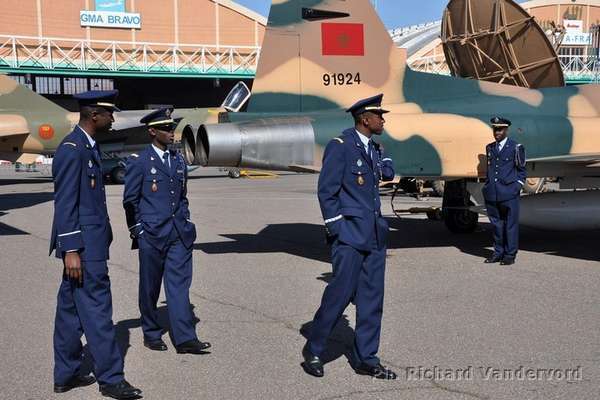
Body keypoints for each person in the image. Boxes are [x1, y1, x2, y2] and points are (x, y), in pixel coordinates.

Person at [49, 90, 142, 399]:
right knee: (99, 312)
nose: (113, 118)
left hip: (89, 244)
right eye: (109, 113)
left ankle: (66, 373)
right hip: (84, 250)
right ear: (94, 116)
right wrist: (72, 250)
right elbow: (65, 203)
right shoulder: (73, 149)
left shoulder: (87, 147)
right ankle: (111, 379)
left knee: (70, 312)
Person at [302, 94, 397, 379]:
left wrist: (384, 155)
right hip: (350, 237)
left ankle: (366, 358)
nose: (383, 119)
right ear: (364, 119)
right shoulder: (341, 147)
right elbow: (327, 191)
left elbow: (388, 174)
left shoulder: (374, 148)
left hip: (375, 236)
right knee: (339, 296)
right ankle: (315, 349)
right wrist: (338, 230)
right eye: (379, 115)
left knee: (371, 301)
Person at [123, 108, 210, 354]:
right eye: (166, 128)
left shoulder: (178, 160)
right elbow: (131, 200)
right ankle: (151, 333)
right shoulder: (139, 162)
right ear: (152, 131)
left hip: (178, 234)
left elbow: (182, 196)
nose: (172, 132)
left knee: (179, 287)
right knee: (150, 287)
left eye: (172, 128)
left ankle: (184, 339)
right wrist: (137, 230)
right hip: (151, 234)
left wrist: (187, 221)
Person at [482, 116, 527, 266]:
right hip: (492, 193)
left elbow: (521, 171)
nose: (497, 132)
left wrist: (517, 187)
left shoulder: (516, 147)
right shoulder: (490, 147)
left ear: (506, 130)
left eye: (500, 129)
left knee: (510, 225)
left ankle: (510, 255)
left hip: (509, 193)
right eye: (495, 129)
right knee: (496, 225)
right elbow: (490, 170)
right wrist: (487, 186)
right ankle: (497, 253)